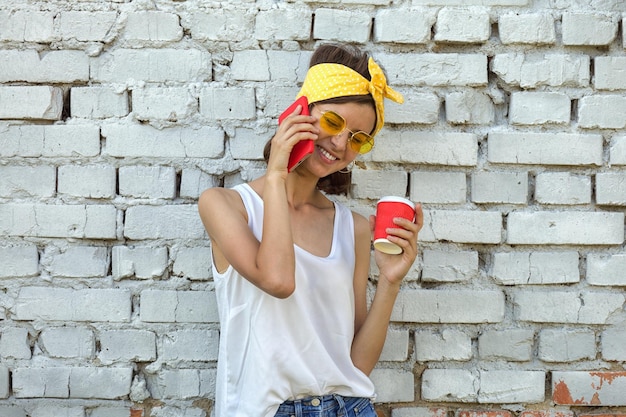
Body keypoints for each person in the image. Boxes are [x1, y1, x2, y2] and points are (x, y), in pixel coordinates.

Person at [198, 43, 424, 417]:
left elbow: (353, 366)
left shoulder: (352, 228)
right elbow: (278, 280)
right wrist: (276, 173)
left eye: (358, 138)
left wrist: (390, 282)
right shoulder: (224, 205)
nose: (340, 144)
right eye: (334, 122)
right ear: (300, 111)